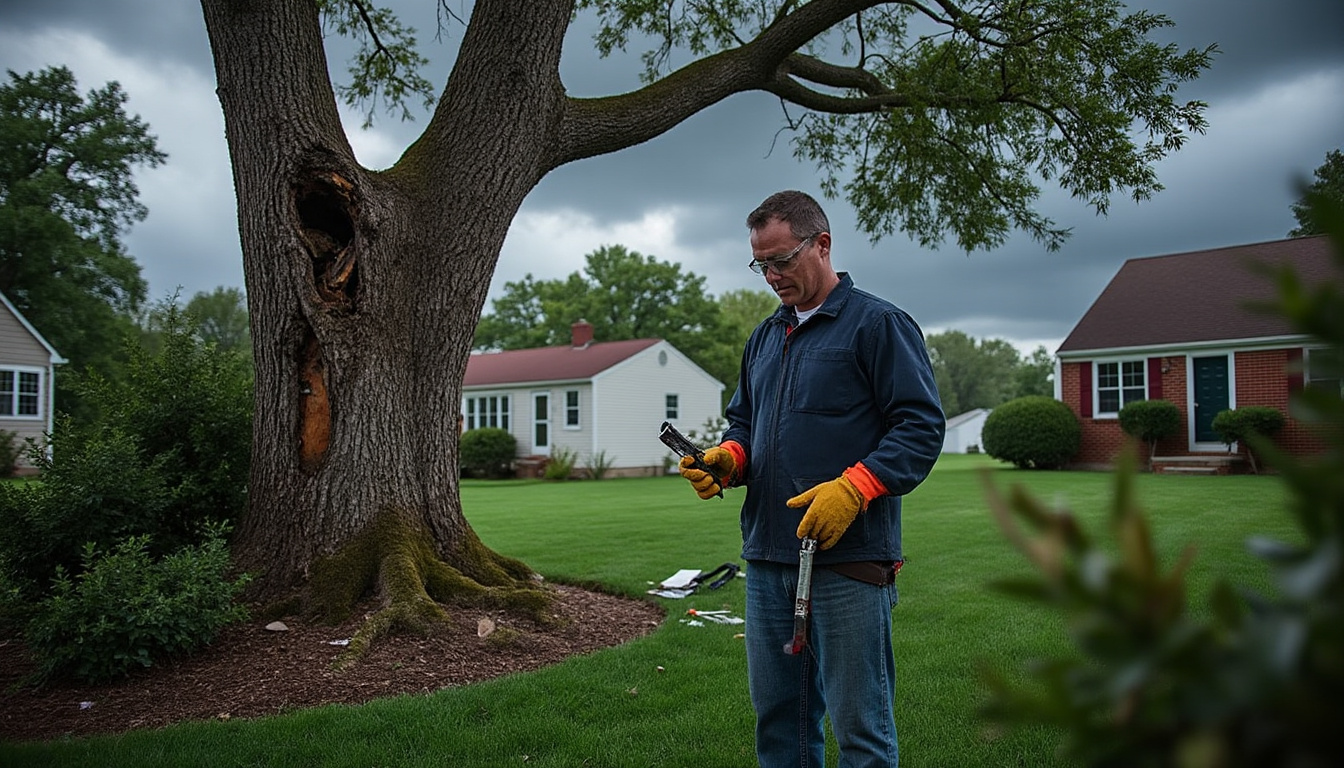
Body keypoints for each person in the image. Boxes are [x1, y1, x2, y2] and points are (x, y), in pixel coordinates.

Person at [680, 190, 945, 767]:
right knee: (781, 725)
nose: (771, 276)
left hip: (848, 564)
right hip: (768, 560)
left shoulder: (879, 324)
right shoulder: (764, 336)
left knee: (862, 731)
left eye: (782, 259)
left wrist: (856, 487)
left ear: (822, 244)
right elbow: (745, 423)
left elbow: (920, 428)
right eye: (760, 264)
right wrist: (728, 459)